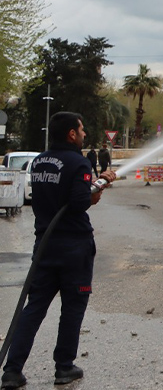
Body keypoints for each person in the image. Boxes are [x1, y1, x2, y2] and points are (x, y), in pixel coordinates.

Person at [1, 112, 116, 389]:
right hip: (74, 247)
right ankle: (64, 367)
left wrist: (90, 187)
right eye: (82, 129)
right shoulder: (79, 162)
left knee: (34, 308)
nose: (85, 134)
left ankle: (12, 371)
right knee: (73, 308)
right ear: (71, 134)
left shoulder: (39, 161)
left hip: (45, 246)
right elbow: (78, 202)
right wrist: (99, 185)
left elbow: (55, 195)